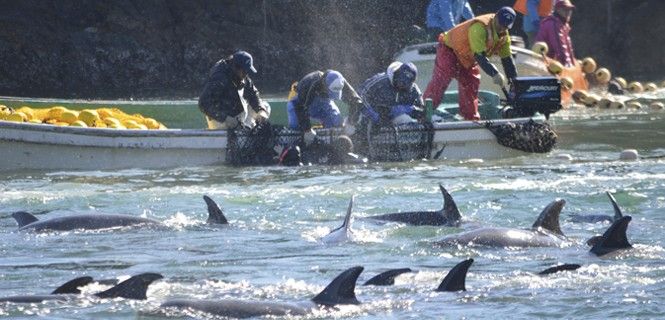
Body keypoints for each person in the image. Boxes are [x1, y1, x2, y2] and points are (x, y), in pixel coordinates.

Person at [423, 7, 518, 121]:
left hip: (467, 58)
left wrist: (514, 83)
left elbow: (507, 60)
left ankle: (471, 119)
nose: (502, 28)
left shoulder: (504, 36)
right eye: (500, 24)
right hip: (449, 50)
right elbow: (479, 56)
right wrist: (495, 73)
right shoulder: (480, 27)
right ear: (495, 17)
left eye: (505, 26)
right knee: (442, 78)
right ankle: (424, 112)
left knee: (472, 82)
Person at [198, 51, 271, 130]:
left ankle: (249, 128)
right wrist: (226, 119)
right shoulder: (219, 78)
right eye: (244, 71)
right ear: (236, 67)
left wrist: (261, 111)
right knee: (229, 125)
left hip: (237, 114)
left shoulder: (242, 75)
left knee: (265, 107)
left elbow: (253, 94)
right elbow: (203, 103)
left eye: (247, 71)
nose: (246, 74)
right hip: (221, 119)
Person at [286, 70, 362, 144]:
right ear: (325, 86)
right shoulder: (309, 84)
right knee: (296, 128)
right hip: (298, 103)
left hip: (324, 102)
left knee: (336, 122)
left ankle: (330, 147)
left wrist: (351, 122)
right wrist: (307, 130)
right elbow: (300, 108)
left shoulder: (339, 80)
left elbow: (356, 101)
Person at [354, 61, 424, 128]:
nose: (401, 85)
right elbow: (360, 94)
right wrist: (370, 112)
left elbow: (421, 108)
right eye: (400, 81)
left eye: (405, 84)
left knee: (406, 120)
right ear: (396, 74)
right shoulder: (381, 80)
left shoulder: (414, 89)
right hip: (371, 118)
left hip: (394, 124)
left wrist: (406, 109)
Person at [534, 0, 576, 67]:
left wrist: (573, 65)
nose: (568, 12)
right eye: (565, 9)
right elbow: (560, 48)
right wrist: (568, 66)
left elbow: (568, 49)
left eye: (570, 10)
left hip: (550, 63)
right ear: (557, 10)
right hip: (542, 64)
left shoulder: (563, 24)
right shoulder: (553, 24)